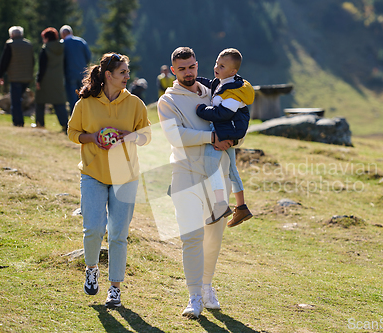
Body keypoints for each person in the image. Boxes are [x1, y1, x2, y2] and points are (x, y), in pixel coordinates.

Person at [157, 47, 236, 319]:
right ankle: (193, 296)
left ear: (196, 64)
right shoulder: (167, 101)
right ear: (173, 71)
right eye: (182, 69)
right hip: (184, 172)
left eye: (191, 67)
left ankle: (206, 287)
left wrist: (233, 137)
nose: (188, 73)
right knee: (191, 237)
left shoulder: (214, 93)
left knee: (214, 236)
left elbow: (235, 119)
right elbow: (174, 136)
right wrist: (210, 138)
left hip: (217, 174)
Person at [68, 53, 151, 307]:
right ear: (108, 75)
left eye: (127, 72)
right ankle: (91, 268)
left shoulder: (135, 103)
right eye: (123, 72)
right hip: (93, 173)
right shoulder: (86, 103)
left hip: (125, 175)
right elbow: (73, 133)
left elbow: (146, 135)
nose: (128, 76)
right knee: (93, 229)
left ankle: (115, 288)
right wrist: (93, 138)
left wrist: (130, 136)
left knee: (118, 234)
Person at [196, 48, 255, 227]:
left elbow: (223, 113)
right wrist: (193, 80)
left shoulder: (235, 92)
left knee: (209, 163)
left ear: (233, 71)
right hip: (226, 131)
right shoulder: (224, 82)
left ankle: (221, 204)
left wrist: (201, 110)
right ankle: (241, 207)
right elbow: (212, 84)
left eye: (221, 66)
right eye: (216, 63)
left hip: (227, 131)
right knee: (231, 170)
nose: (216, 68)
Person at [0, 26, 34, 127]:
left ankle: (18, 122)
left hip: (15, 77)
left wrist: (0, 75)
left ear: (11, 35)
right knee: (20, 99)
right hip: (27, 77)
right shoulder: (28, 44)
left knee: (15, 101)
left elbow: (4, 61)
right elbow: (33, 61)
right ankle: (20, 119)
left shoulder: (10, 44)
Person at [35, 27, 68, 131]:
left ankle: (40, 123)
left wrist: (38, 80)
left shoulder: (45, 49)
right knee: (59, 102)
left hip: (46, 79)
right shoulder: (62, 47)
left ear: (47, 38)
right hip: (58, 78)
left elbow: (42, 67)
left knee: (40, 101)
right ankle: (65, 124)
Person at [60, 25, 92, 115]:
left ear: (62, 34)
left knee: (72, 97)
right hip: (82, 73)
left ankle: (75, 116)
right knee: (83, 95)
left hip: (69, 73)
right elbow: (88, 56)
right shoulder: (81, 41)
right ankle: (85, 116)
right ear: (71, 32)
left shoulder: (63, 43)